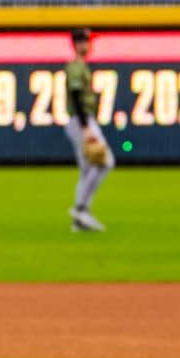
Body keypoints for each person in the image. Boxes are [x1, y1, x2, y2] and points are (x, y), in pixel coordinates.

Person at [64, 29, 113, 232]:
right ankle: (81, 208)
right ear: (76, 44)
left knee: (88, 169)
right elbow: (75, 95)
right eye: (85, 41)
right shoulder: (75, 67)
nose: (88, 45)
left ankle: (79, 220)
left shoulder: (82, 66)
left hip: (81, 120)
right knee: (105, 161)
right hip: (81, 121)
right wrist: (85, 127)